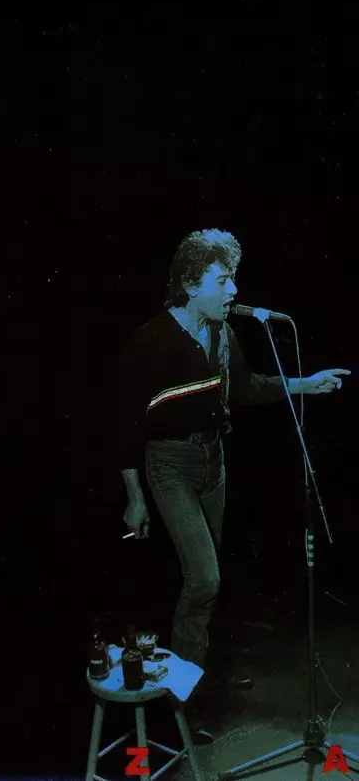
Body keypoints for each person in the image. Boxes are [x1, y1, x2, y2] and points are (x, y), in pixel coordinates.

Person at [112, 228, 350, 741]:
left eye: (233, 279)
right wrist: (134, 497)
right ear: (190, 283)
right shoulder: (150, 340)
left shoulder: (222, 333)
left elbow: (246, 388)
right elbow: (125, 424)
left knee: (207, 582)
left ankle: (197, 682)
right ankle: (179, 702)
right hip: (169, 464)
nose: (234, 290)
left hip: (213, 462)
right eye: (223, 280)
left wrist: (305, 384)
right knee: (204, 578)